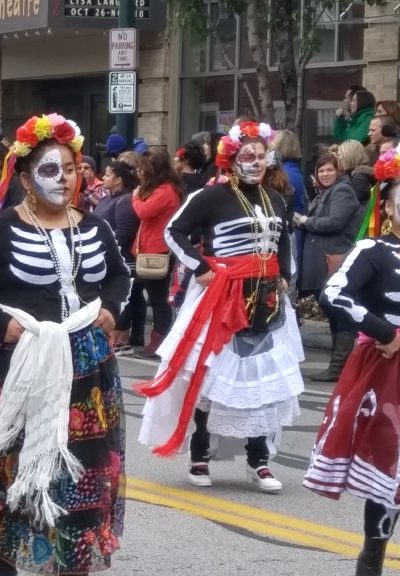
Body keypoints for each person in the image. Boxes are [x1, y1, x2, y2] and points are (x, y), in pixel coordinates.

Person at [0, 112, 130, 576]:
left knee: (80, 477)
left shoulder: (94, 226)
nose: (62, 179)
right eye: (49, 169)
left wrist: (111, 308)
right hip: (19, 367)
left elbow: (121, 275)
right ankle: (4, 566)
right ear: (24, 178)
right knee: (15, 477)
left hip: (86, 371)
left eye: (70, 168)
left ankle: (72, 566)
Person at [138, 120, 302, 492]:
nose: (255, 162)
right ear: (232, 158)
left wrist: (287, 276)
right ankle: (199, 454)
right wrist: (200, 267)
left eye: (261, 156)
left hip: (268, 299)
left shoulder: (276, 198)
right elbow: (173, 232)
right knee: (211, 377)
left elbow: (283, 239)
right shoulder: (211, 196)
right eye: (248, 155)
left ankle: (258, 461)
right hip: (221, 298)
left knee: (263, 381)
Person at [304, 162, 400, 576]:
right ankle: (371, 561)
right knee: (390, 474)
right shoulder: (374, 250)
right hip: (390, 373)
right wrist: (384, 330)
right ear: (390, 209)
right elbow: (334, 294)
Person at [295, 152, 362, 382]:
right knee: (334, 312)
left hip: (332, 260)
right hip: (324, 259)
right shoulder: (327, 192)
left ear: (338, 171)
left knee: (339, 311)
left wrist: (305, 221)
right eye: (320, 170)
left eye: (329, 169)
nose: (324, 174)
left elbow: (335, 221)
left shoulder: (342, 191)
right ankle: (339, 365)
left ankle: (339, 366)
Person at [130, 147, 181, 358]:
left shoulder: (166, 191)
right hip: (149, 248)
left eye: (143, 170)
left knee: (158, 298)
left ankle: (159, 340)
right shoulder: (162, 188)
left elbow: (144, 210)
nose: (139, 173)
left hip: (157, 250)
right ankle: (155, 338)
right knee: (144, 293)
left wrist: (135, 196)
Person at [96, 160, 142, 355]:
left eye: (107, 175)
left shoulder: (124, 201)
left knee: (121, 296)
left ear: (119, 180)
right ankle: (112, 337)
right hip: (102, 255)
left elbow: (123, 232)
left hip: (120, 258)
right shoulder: (108, 198)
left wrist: (103, 245)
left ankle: (122, 339)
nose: (103, 178)